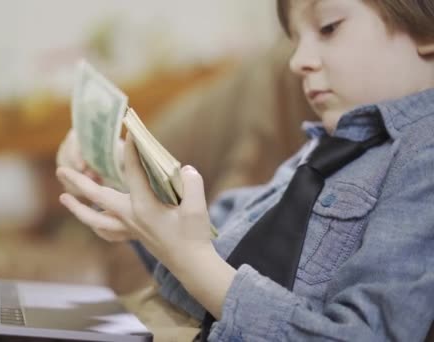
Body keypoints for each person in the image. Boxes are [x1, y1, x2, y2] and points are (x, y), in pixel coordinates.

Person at [56, 0, 434, 340]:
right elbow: (213, 240)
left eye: (328, 27)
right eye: (294, 39)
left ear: (425, 30)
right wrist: (117, 172)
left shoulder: (422, 157)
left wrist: (191, 259)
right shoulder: (321, 151)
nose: (297, 60)